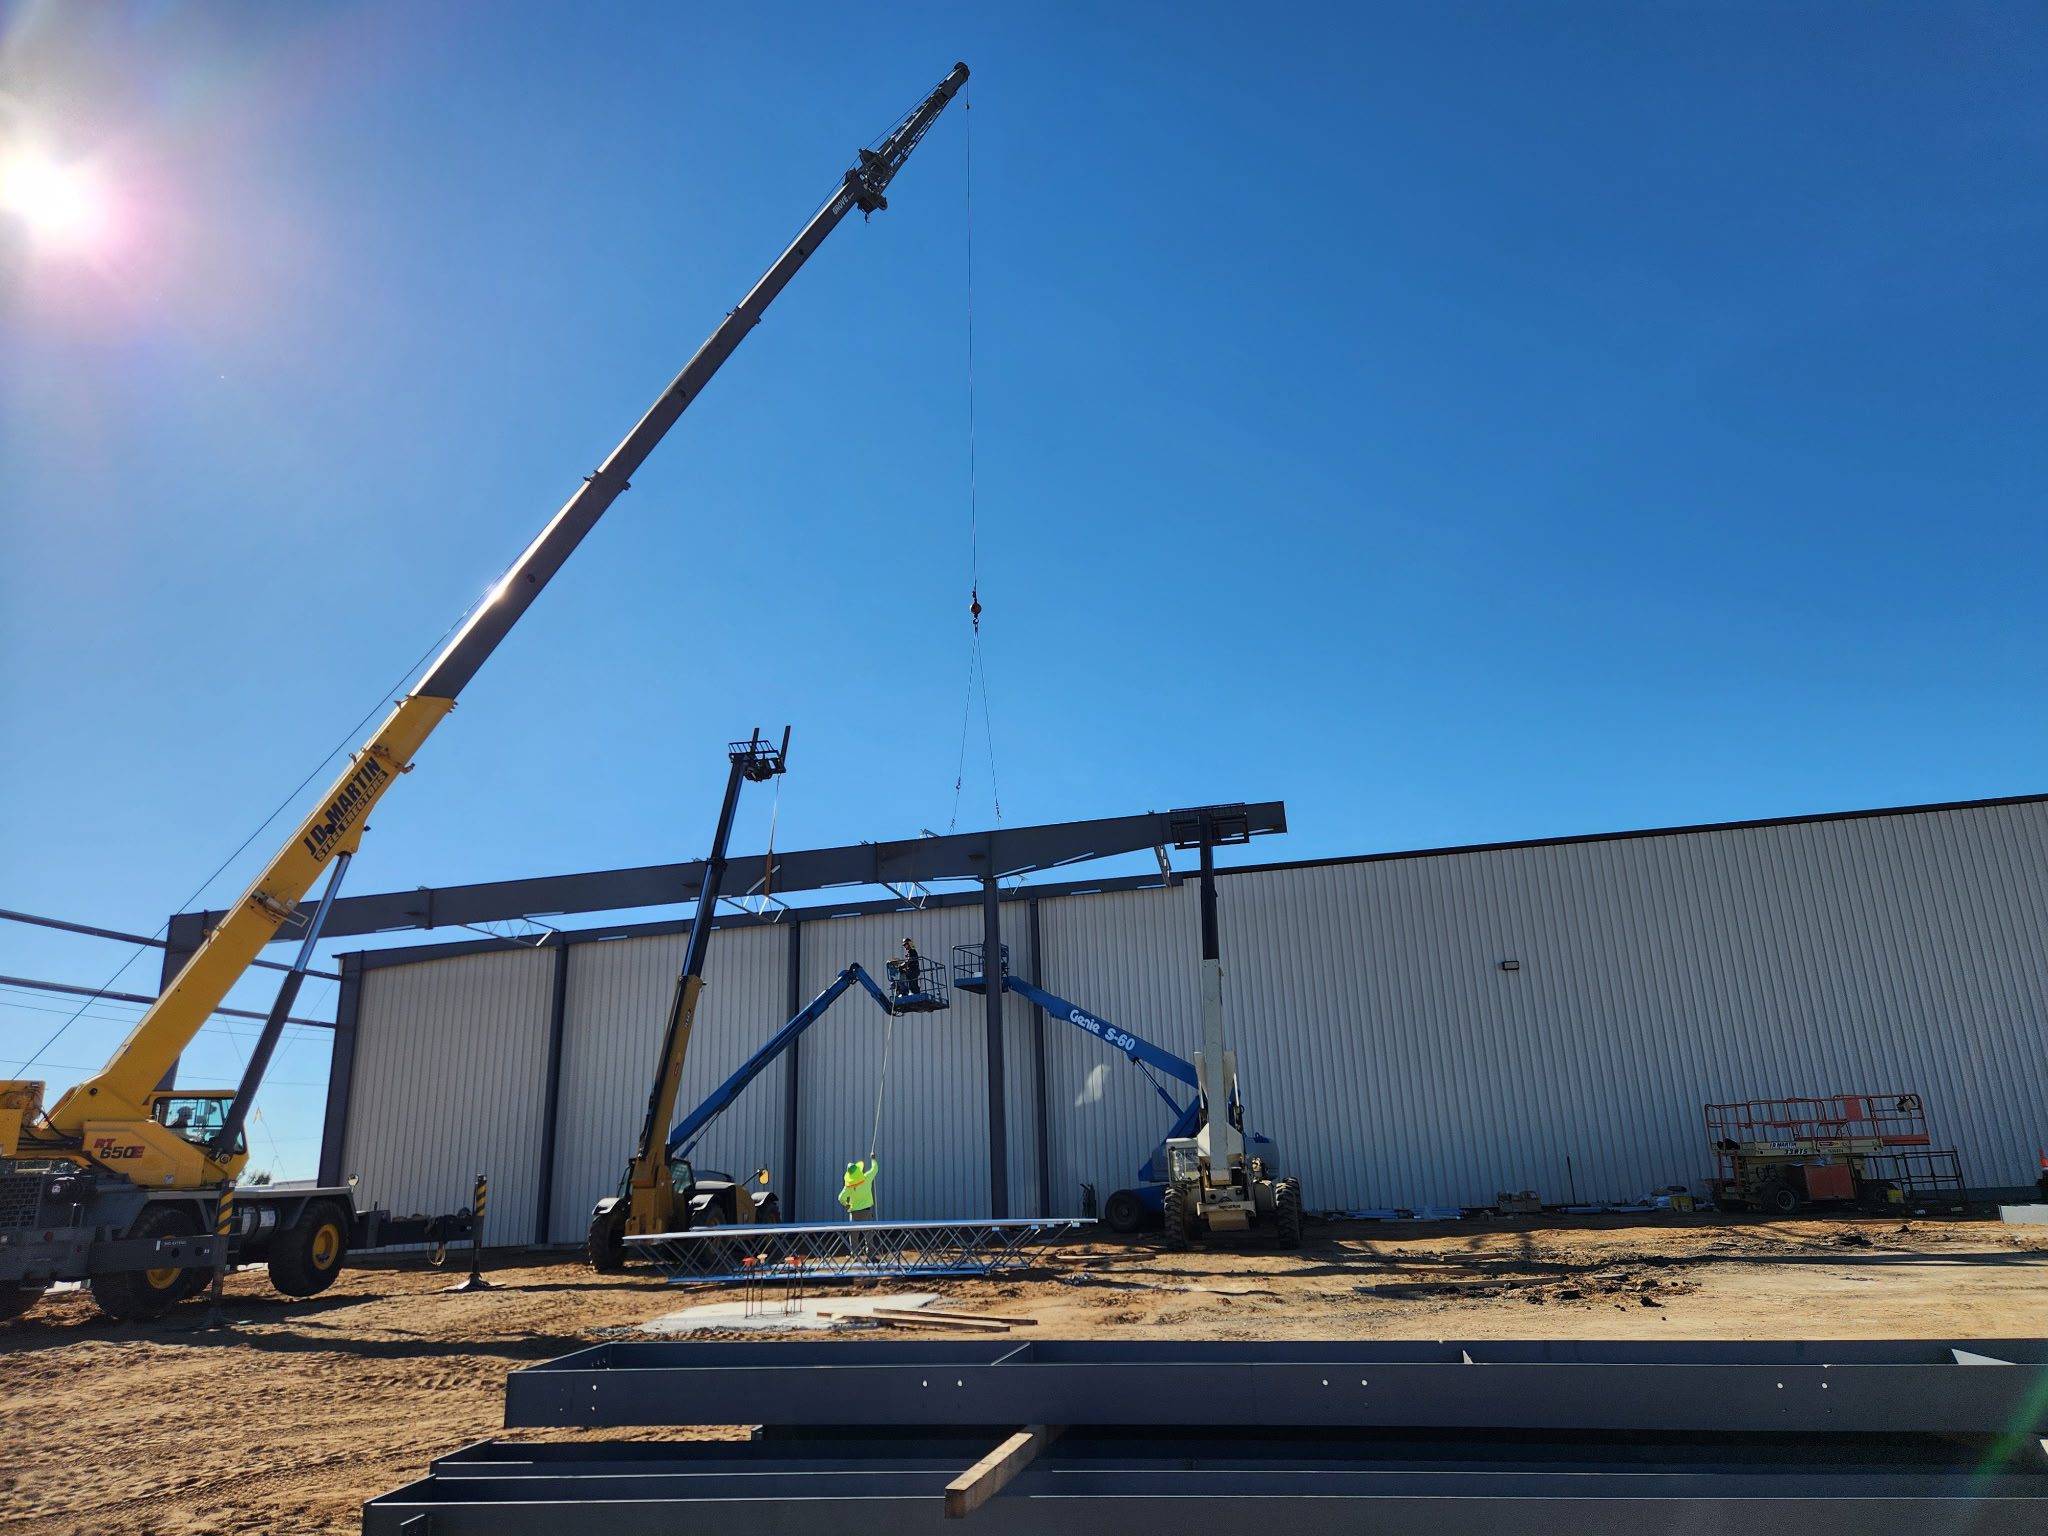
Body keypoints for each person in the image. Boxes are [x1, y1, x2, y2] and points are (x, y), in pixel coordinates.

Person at [838, 1157, 879, 1222]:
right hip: (866, 1211)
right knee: (869, 1231)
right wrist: (873, 1159)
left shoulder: (849, 1186)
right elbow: (875, 1169)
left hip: (854, 1213)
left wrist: (846, 1205)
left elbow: (840, 1198)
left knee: (853, 1231)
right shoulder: (866, 1178)